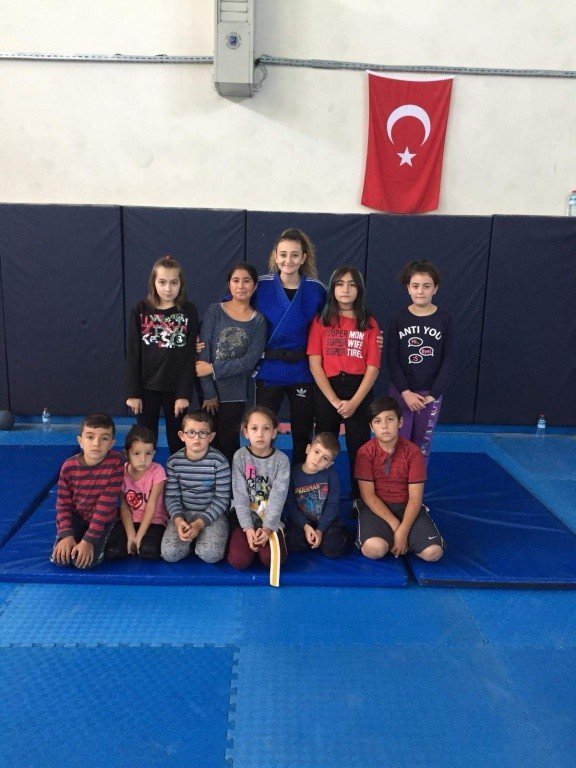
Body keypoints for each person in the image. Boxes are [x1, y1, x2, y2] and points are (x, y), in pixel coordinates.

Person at [253, 228, 326, 465]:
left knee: (302, 431)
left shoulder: (316, 289)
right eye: (283, 254)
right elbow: (233, 310)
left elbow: (334, 323)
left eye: (295, 255)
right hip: (269, 368)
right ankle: (262, 477)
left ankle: (301, 477)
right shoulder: (260, 285)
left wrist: (368, 333)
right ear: (275, 256)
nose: (288, 260)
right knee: (263, 431)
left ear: (303, 258)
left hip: (302, 369)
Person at [308, 265, 381, 498]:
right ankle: (318, 496)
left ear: (359, 289)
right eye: (340, 284)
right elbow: (315, 364)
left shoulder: (369, 323)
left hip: (358, 390)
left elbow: (373, 367)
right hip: (328, 390)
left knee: (359, 448)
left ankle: (360, 499)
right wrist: (333, 400)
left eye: (351, 284)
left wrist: (355, 402)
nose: (345, 289)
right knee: (323, 446)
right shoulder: (321, 321)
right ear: (332, 289)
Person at [355, 396, 444, 562]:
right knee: (374, 550)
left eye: (390, 419)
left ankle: (407, 538)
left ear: (400, 422)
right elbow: (368, 496)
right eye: (378, 421)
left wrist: (403, 531)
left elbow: (415, 499)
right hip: (377, 508)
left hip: (407, 506)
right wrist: (397, 527)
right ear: (371, 427)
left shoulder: (413, 452)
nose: (384, 426)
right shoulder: (365, 453)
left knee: (433, 553)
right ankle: (392, 538)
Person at [126, 255, 199, 456]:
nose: (168, 288)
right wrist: (133, 392)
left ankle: (177, 474)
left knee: (177, 439)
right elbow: (132, 353)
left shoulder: (188, 311)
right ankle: (145, 475)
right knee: (145, 440)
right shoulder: (140, 310)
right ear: (153, 283)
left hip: (175, 389)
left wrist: (184, 394)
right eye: (162, 282)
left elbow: (189, 356)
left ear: (181, 284)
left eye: (174, 283)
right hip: (146, 388)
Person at [196, 263, 267, 465]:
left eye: (246, 281)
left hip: (235, 394)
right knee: (208, 443)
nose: (241, 286)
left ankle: (231, 484)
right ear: (229, 284)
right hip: (209, 391)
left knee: (228, 443)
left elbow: (248, 362)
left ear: (254, 286)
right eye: (236, 280)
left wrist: (213, 368)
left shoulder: (259, 321)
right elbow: (203, 354)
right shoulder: (215, 311)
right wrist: (209, 393)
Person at [386, 259, 456, 462]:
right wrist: (405, 391)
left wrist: (434, 393)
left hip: (429, 395)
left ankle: (416, 481)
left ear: (435, 288)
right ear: (408, 288)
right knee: (397, 440)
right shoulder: (399, 319)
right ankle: (396, 480)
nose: (421, 291)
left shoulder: (445, 319)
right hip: (402, 392)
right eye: (415, 286)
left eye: (426, 286)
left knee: (421, 443)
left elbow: (450, 359)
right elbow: (392, 358)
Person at [227, 405, 290, 583]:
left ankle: (263, 543)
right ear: (246, 432)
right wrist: (248, 529)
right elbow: (239, 495)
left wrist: (268, 528)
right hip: (245, 519)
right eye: (254, 428)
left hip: (270, 519)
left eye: (266, 428)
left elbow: (278, 496)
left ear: (274, 432)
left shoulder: (281, 460)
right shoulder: (240, 456)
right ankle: (245, 541)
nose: (260, 434)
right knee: (239, 561)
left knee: (271, 559)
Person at [51, 413, 123, 569]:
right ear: (80, 441)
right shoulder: (69, 467)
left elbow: (104, 506)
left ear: (112, 443)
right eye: (90, 437)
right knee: (61, 559)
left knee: (86, 563)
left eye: (104, 438)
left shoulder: (116, 463)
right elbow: (63, 504)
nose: (96, 443)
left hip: (103, 519)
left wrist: (88, 540)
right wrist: (66, 534)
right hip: (77, 516)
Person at [160, 410, 230, 564]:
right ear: (182, 435)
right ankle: (190, 542)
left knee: (211, 555)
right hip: (183, 514)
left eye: (203, 433)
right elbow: (171, 497)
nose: (197, 438)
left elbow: (222, 499)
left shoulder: (219, 462)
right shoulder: (174, 462)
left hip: (212, 515)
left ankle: (200, 539)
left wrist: (199, 524)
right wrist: (179, 520)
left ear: (211, 437)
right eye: (191, 432)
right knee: (169, 554)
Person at [105, 425, 168, 561]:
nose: (143, 459)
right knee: (112, 551)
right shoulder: (121, 472)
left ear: (154, 453)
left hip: (154, 521)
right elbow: (124, 506)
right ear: (126, 454)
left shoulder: (157, 471)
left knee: (148, 551)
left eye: (148, 454)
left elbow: (151, 505)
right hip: (130, 520)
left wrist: (139, 536)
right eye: (137, 454)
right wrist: (131, 535)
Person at [284, 432, 349, 559]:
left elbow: (332, 505)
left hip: (327, 522)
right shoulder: (292, 473)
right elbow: (291, 505)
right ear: (308, 449)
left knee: (334, 548)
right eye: (316, 452)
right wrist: (305, 526)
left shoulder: (331, 475)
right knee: (292, 541)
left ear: (329, 464)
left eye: (325, 458)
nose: (318, 460)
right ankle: (311, 538)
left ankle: (325, 537)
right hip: (302, 522)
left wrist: (320, 530)